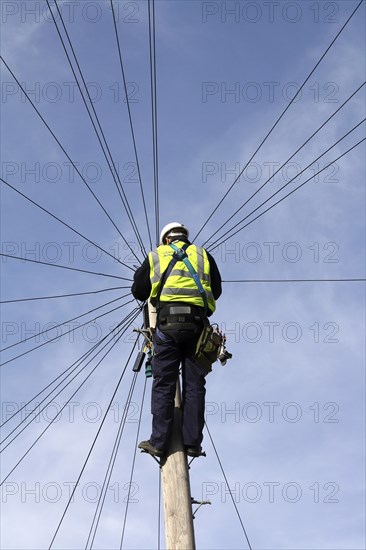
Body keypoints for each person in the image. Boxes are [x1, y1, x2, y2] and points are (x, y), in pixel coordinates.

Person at [131, 222, 222, 458]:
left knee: (163, 384)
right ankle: (192, 442)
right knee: (195, 386)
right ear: (185, 238)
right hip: (197, 327)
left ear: (166, 240)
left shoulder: (156, 255)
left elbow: (139, 291)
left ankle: (159, 442)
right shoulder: (203, 255)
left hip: (167, 327)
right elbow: (217, 289)